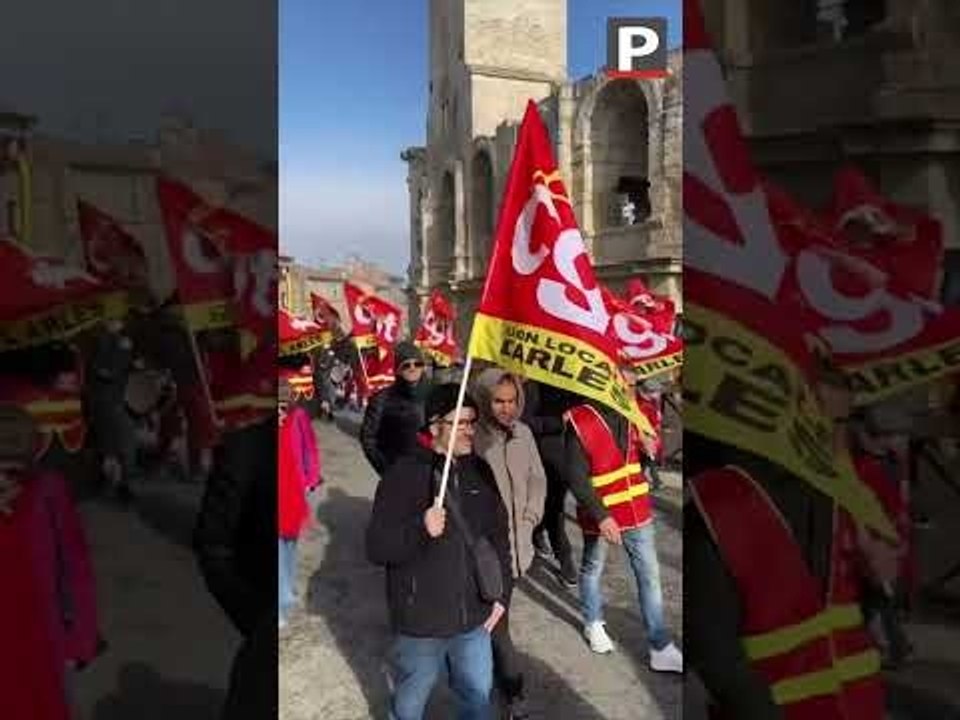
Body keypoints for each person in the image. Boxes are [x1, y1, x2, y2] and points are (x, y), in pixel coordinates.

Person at [367, 384, 511, 720]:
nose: (469, 431)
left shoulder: (481, 470)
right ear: (434, 427)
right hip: (421, 623)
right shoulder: (402, 475)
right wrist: (421, 527)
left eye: (472, 423)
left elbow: (499, 540)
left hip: (474, 619)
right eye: (460, 423)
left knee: (477, 700)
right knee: (409, 706)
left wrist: (501, 595)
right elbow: (377, 546)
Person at [563, 361, 683, 671]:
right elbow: (576, 476)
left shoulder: (637, 412)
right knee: (592, 568)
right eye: (623, 384)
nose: (628, 391)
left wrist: (650, 445)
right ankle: (593, 622)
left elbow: (655, 449)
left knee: (650, 575)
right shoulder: (580, 419)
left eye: (631, 385)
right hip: (601, 514)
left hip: (637, 509)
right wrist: (602, 517)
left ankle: (659, 644)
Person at [471, 369, 547, 718]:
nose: (506, 408)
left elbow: (537, 479)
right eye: (498, 401)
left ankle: (498, 686)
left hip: (519, 551)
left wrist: (531, 517)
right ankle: (511, 692)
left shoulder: (525, 434)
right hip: (484, 552)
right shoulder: (473, 438)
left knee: (495, 620)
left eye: (511, 400)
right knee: (494, 623)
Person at [523, 380, 580, 586]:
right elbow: (525, 421)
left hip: (567, 461)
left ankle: (538, 535)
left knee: (554, 508)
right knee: (551, 510)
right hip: (539, 459)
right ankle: (565, 560)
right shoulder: (532, 387)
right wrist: (558, 422)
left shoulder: (575, 388)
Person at [277, 380, 321, 628]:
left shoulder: (299, 417)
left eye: (284, 403)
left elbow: (309, 449)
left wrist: (311, 477)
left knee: (289, 543)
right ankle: (281, 601)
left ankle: (289, 587)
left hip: (295, 488)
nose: (281, 409)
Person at [360, 341, 431, 477]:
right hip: (397, 473)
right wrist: (385, 469)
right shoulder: (381, 399)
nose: (413, 368)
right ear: (397, 369)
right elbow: (368, 438)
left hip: (430, 472)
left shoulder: (435, 394)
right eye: (406, 365)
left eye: (418, 364)